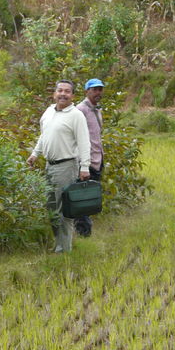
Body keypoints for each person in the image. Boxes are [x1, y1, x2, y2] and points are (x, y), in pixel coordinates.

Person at [26, 80, 90, 253]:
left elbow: (84, 142)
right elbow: (44, 136)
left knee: (64, 210)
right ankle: (58, 244)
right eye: (60, 90)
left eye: (67, 91)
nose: (63, 94)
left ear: (73, 96)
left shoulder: (76, 115)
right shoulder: (48, 112)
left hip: (66, 166)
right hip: (49, 165)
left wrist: (85, 167)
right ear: (54, 93)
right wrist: (34, 154)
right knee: (52, 208)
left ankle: (64, 249)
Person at [74, 78, 105, 237]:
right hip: (85, 162)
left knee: (90, 198)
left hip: (97, 160)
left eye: (100, 89)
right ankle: (83, 233)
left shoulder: (97, 109)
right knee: (82, 200)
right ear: (87, 91)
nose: (98, 92)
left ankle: (85, 231)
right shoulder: (80, 109)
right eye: (94, 89)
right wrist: (82, 164)